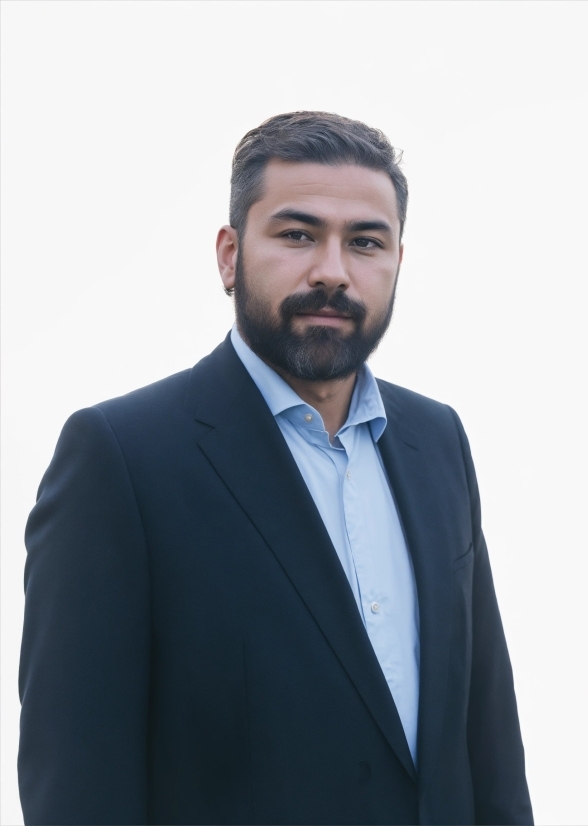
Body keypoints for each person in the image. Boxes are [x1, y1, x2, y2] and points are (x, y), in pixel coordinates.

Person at [18, 111, 533, 826]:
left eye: (365, 242)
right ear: (229, 255)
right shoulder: (121, 460)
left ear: (397, 264)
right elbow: (78, 786)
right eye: (297, 234)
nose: (332, 270)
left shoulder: (437, 441)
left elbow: (489, 745)